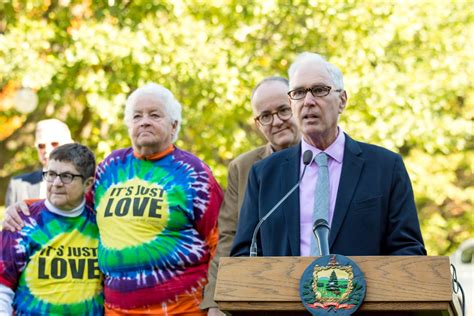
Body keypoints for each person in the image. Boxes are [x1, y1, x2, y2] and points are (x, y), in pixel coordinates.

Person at [3, 83, 223, 315]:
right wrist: (26, 207)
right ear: (129, 125)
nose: (144, 121)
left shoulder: (193, 173)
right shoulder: (111, 167)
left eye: (154, 115)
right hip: (117, 311)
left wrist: (217, 304)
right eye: (137, 116)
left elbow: (221, 240)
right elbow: (73, 201)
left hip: (182, 309)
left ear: (174, 125)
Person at [231, 52, 426, 257]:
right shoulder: (264, 175)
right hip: (284, 289)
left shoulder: (385, 167)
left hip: (364, 289)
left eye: (319, 90)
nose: (308, 101)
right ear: (292, 104)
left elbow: (408, 250)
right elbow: (244, 255)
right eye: (298, 93)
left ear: (342, 100)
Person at [200, 77, 300, 315]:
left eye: (284, 110)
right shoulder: (243, 167)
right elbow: (229, 238)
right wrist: (216, 299)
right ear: (257, 124)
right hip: (263, 295)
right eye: (265, 116)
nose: (276, 121)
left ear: (298, 107)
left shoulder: (329, 160)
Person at [0, 143, 103, 315]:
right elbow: (3, 285)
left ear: (88, 184)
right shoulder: (21, 221)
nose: (56, 183)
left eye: (67, 176)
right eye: (51, 174)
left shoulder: (102, 223)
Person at [5, 118, 73, 207]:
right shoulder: (18, 185)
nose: (47, 150)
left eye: (54, 144)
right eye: (41, 145)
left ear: (70, 145)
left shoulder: (86, 184)